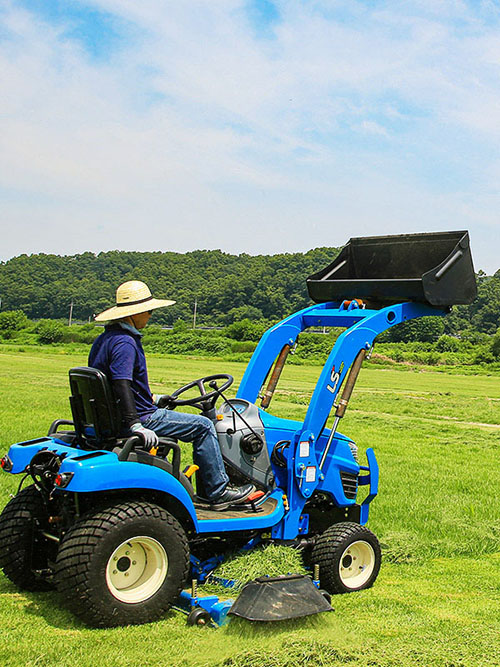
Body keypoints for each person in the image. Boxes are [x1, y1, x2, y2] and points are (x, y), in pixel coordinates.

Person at [89, 280, 254, 511]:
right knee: (204, 426)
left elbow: (115, 386)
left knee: (185, 423)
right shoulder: (125, 342)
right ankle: (217, 492)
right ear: (134, 313)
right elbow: (121, 384)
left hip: (120, 416)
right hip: (141, 418)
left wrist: (155, 399)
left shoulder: (104, 339)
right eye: (148, 311)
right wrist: (136, 425)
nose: (150, 315)